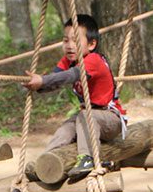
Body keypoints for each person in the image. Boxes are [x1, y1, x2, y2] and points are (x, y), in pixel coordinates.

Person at [22, 14, 127, 180]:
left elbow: (71, 75)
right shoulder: (68, 61)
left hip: (110, 119)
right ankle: (46, 162)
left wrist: (43, 80)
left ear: (92, 44)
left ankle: (87, 159)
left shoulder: (94, 60)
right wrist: (39, 85)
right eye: (66, 40)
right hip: (86, 118)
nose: (69, 46)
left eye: (75, 40)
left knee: (85, 116)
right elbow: (55, 79)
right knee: (65, 129)